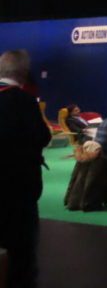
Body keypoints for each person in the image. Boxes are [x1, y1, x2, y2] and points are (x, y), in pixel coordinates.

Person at [0, 50, 52, 288]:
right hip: (18, 192)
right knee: (21, 260)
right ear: (23, 73)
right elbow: (41, 137)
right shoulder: (23, 101)